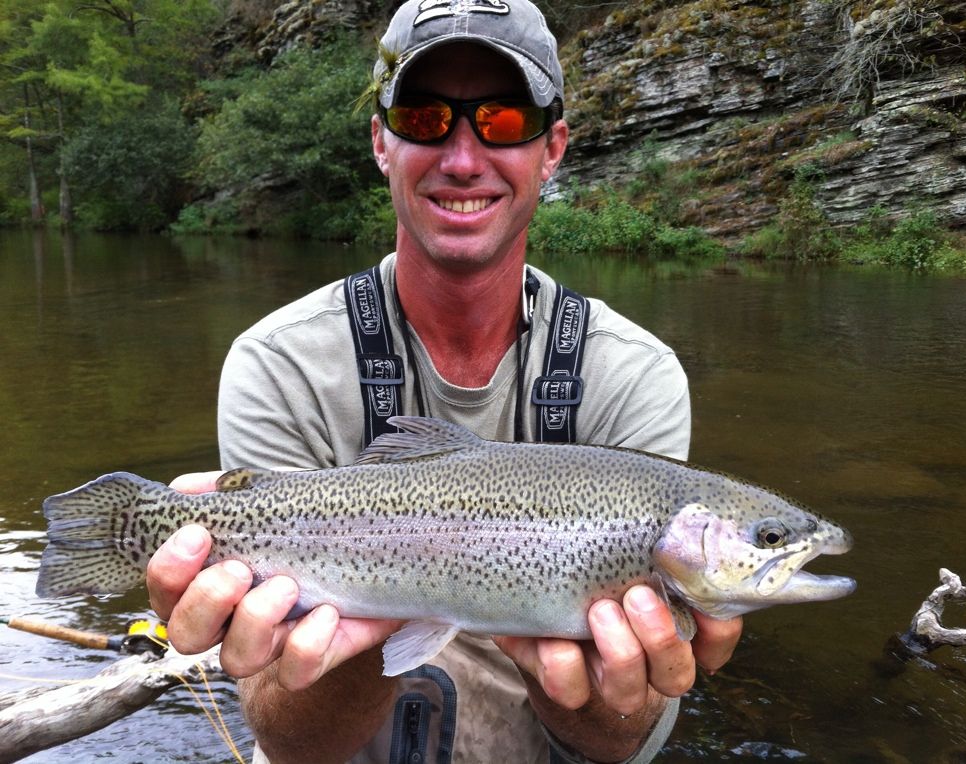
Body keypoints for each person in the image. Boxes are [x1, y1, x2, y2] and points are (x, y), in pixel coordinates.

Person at [146, 1, 743, 761]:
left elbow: (621, 741)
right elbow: (294, 742)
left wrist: (612, 700)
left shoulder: (633, 374)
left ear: (552, 149)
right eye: (426, 120)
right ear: (381, 144)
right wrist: (387, 599)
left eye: (501, 121)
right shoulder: (279, 362)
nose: (463, 158)